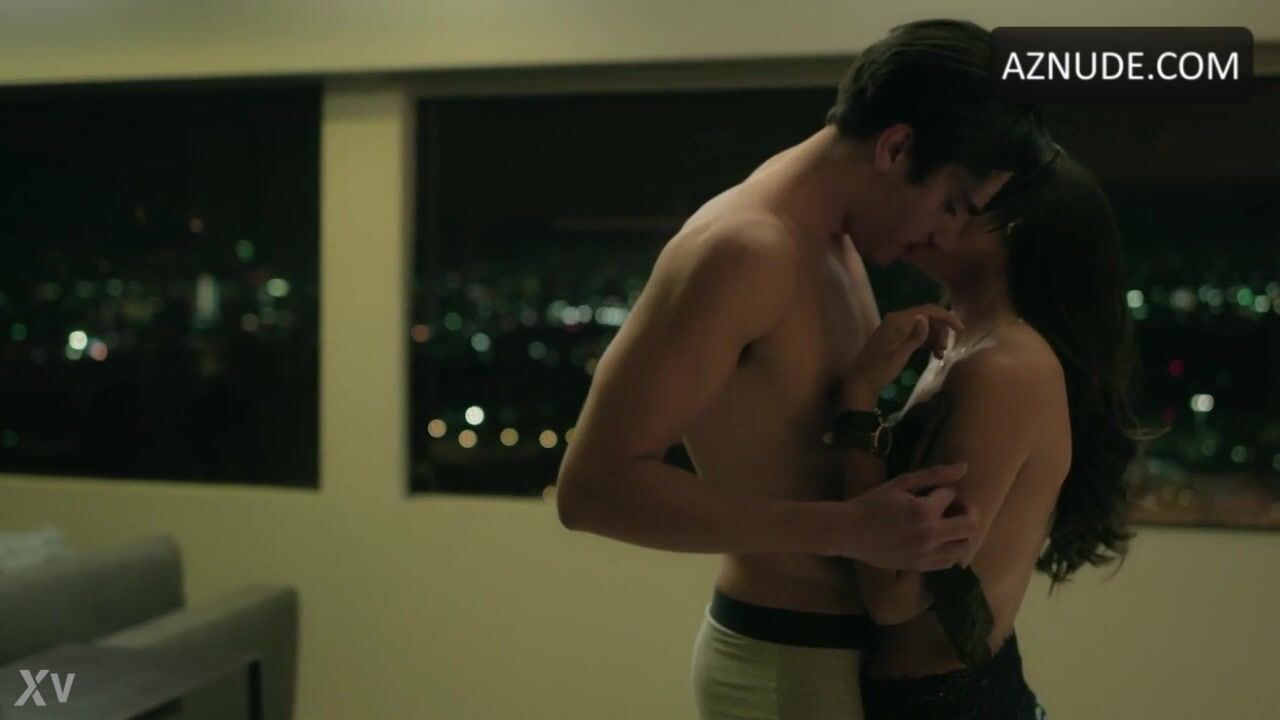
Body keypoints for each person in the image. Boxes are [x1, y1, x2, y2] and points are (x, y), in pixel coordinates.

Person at [555, 19, 1052, 719]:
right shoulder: (744, 249)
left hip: (833, 658)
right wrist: (845, 528)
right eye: (950, 204)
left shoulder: (832, 242)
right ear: (896, 147)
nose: (945, 235)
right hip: (785, 663)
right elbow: (591, 490)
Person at [837, 147, 1145, 719]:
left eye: (957, 204)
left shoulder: (1004, 366)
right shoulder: (965, 345)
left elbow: (895, 595)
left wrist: (856, 404)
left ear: (1013, 230)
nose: (930, 214)